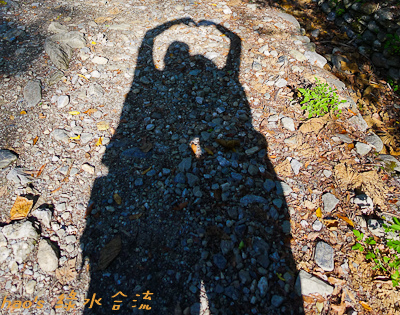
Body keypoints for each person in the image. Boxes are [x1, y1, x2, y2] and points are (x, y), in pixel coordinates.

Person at [81, 18, 304, 314]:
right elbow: (232, 61)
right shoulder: (221, 84)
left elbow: (145, 47)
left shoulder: (151, 80)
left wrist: (165, 27)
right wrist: (222, 32)